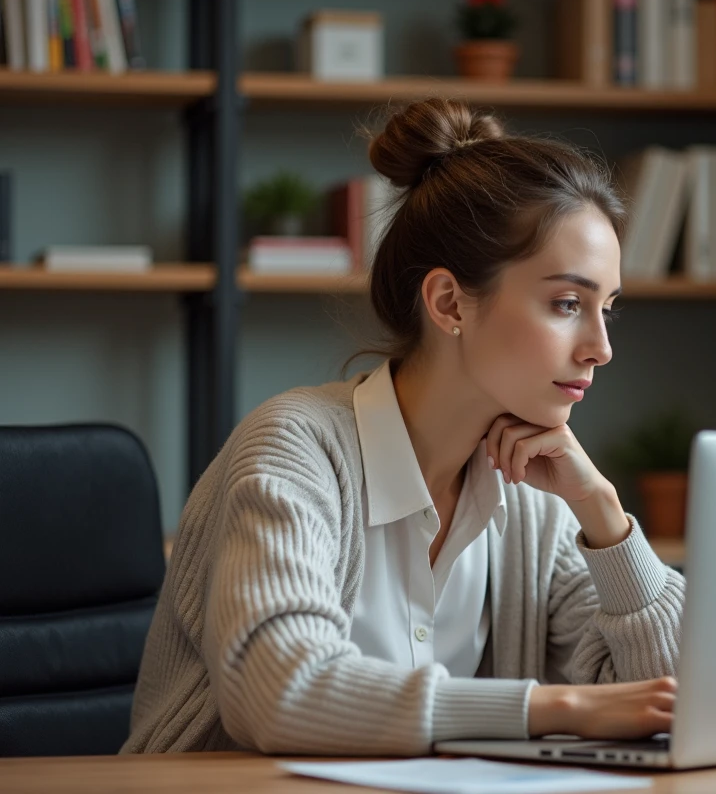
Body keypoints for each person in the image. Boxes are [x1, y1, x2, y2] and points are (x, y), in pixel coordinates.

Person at [121, 98, 685, 757]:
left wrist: (605, 515)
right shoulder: (292, 452)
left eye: (606, 310)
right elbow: (281, 691)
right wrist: (552, 708)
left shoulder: (536, 502)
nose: (601, 348)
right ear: (449, 303)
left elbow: (668, 696)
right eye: (566, 303)